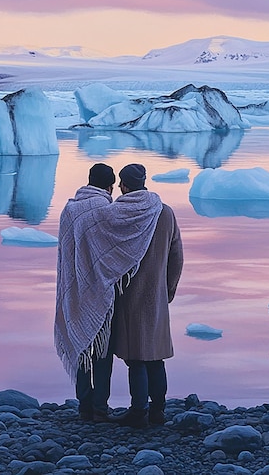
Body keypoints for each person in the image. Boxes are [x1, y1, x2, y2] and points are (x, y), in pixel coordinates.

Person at [109, 163, 184, 428]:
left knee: (135, 357)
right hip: (157, 294)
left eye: (121, 182)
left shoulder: (119, 212)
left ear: (125, 184)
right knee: (155, 355)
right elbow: (176, 256)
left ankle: (138, 410)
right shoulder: (165, 213)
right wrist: (168, 289)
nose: (119, 187)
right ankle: (158, 411)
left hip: (128, 294)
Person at [54, 162, 116, 422]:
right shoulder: (106, 209)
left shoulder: (69, 209)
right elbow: (114, 252)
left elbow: (66, 254)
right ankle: (100, 407)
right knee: (102, 351)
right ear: (110, 186)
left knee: (81, 345)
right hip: (101, 291)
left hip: (74, 290)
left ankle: (84, 404)